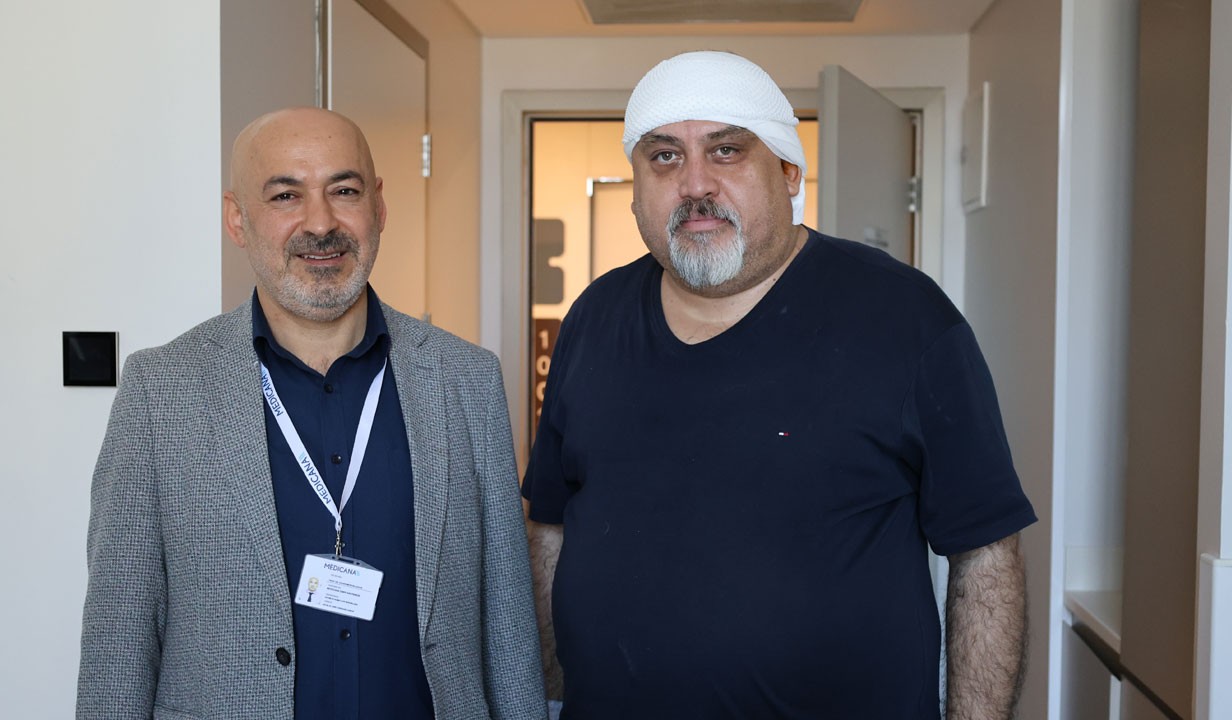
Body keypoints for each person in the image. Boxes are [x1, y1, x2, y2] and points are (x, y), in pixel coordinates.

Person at [523, 52, 1036, 719]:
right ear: (637, 186)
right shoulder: (594, 317)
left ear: (790, 172)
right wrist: (550, 697)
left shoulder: (904, 318)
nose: (695, 184)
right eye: (665, 157)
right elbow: (550, 525)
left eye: (727, 151)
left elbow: (986, 552)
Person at [78, 107, 546, 719]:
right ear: (237, 219)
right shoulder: (159, 393)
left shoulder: (467, 380)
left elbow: (508, 626)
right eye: (286, 195)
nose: (321, 223)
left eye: (344, 191)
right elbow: (118, 642)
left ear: (379, 206)